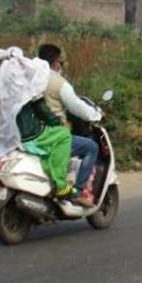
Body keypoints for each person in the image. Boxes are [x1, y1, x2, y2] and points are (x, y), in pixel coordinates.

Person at [37, 44, 102, 208]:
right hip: (52, 136)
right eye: (61, 62)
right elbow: (77, 106)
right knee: (92, 147)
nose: (62, 65)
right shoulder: (59, 83)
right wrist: (96, 115)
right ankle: (77, 192)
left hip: (29, 134)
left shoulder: (30, 77)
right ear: (55, 63)